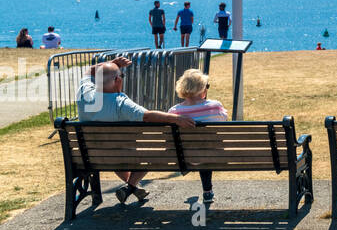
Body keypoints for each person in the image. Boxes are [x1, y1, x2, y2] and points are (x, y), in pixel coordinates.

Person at [76, 56, 196, 204]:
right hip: (121, 155)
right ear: (116, 80)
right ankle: (131, 186)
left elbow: (89, 71)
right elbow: (148, 116)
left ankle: (130, 187)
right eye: (121, 76)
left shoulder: (84, 94)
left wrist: (111, 64)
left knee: (111, 153)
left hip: (93, 156)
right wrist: (177, 119)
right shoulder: (120, 103)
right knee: (154, 152)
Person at [168, 69, 228, 206]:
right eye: (207, 86)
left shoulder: (174, 111)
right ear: (202, 89)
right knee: (204, 149)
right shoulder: (215, 106)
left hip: (183, 155)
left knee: (196, 149)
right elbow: (223, 118)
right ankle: (207, 191)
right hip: (213, 153)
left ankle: (188, 168)